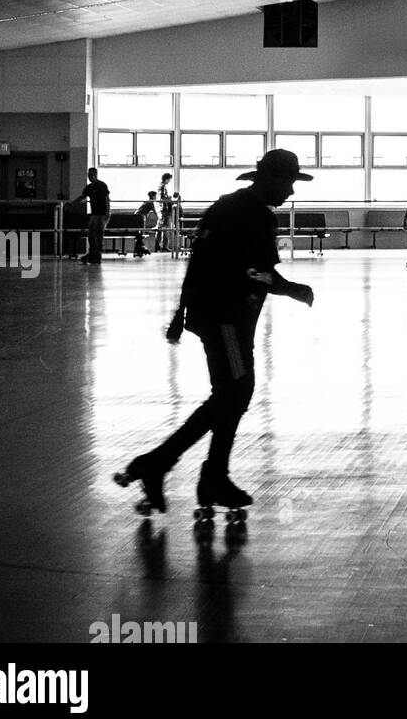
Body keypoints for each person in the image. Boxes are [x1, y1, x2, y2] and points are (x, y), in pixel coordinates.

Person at [113, 149, 315, 517]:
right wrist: (294, 290)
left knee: (231, 394)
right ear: (268, 180)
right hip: (227, 320)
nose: (290, 192)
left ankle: (181, 469)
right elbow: (257, 273)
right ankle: (189, 471)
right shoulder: (250, 215)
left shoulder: (230, 208)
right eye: (287, 183)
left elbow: (200, 260)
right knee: (235, 392)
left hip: (222, 318)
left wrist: (181, 310)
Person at [72, 166, 111, 264]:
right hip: (94, 214)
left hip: (102, 213)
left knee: (99, 234)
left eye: (91, 175)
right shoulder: (89, 187)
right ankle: (92, 252)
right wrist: (73, 203)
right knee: (91, 234)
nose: (89, 177)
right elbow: (83, 196)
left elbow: (107, 199)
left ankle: (97, 254)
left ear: (95, 175)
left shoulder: (102, 185)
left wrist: (107, 213)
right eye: (88, 175)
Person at [154, 172, 176, 252]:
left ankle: (158, 246)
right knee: (165, 228)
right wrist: (169, 199)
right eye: (169, 179)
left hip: (161, 210)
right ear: (166, 179)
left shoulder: (160, 186)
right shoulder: (162, 187)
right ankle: (164, 246)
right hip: (164, 210)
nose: (169, 181)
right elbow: (162, 198)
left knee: (160, 228)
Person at [134, 189, 158, 258]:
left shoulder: (148, 202)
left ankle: (140, 247)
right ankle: (140, 247)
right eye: (155, 196)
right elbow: (155, 212)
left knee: (140, 233)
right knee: (140, 233)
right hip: (140, 216)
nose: (156, 197)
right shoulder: (151, 203)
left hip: (138, 215)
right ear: (153, 196)